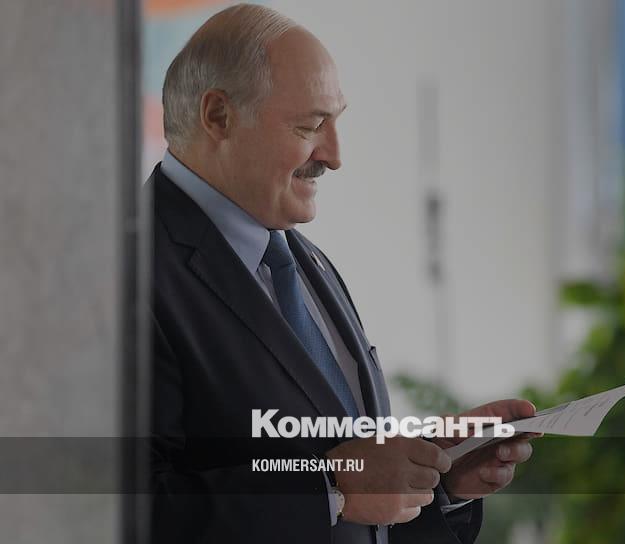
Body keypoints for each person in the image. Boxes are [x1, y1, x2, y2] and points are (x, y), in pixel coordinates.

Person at [149, 4, 536, 543]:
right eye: (311, 126)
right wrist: (330, 488)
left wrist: (434, 476)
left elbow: (353, 490)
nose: (334, 156)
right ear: (218, 117)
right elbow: (111, 511)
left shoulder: (303, 259)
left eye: (336, 122)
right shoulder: (123, 274)